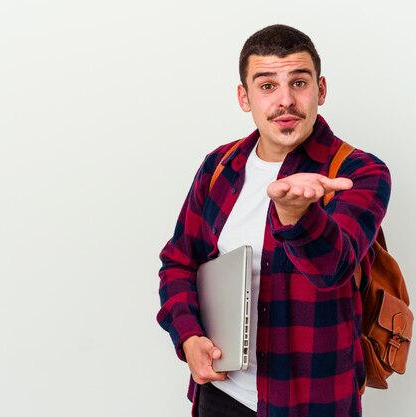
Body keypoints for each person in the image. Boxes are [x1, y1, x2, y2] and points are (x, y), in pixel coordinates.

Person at [157, 24, 391, 417]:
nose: (285, 100)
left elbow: (333, 269)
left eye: (299, 82)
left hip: (313, 402)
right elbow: (179, 261)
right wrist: (189, 336)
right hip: (220, 396)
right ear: (244, 97)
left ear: (321, 90)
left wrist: (297, 217)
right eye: (267, 86)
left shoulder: (358, 172)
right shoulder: (220, 166)